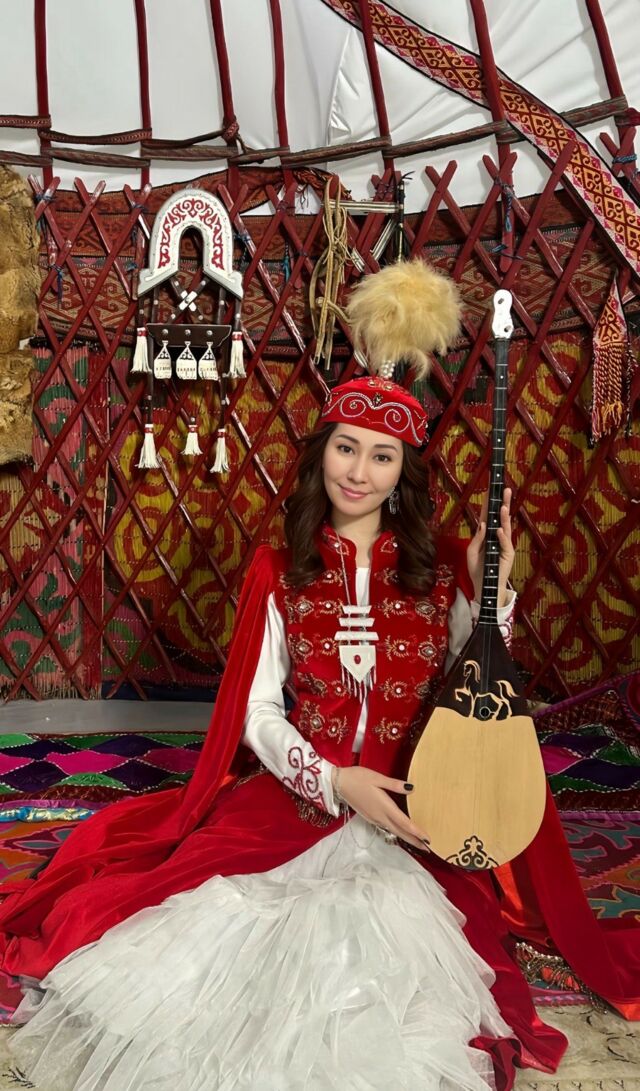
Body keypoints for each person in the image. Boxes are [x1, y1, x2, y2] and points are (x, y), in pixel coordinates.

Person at [0, 261, 638, 1091]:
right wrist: (336, 780)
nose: (359, 472)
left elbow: (477, 689)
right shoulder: (281, 568)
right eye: (346, 447)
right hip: (299, 802)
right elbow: (259, 711)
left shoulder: (443, 565)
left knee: (388, 967)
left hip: (415, 809)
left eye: (381, 455)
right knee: (208, 944)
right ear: (322, 452)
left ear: (403, 469)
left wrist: (495, 587)